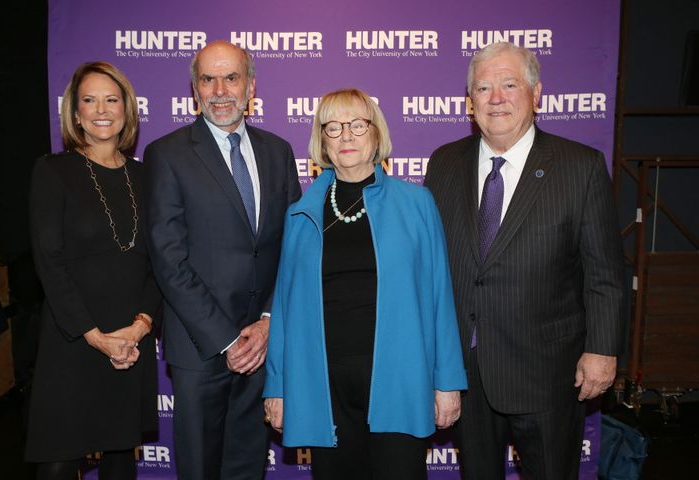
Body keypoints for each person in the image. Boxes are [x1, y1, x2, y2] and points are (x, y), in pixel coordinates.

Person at [424, 42, 626, 479]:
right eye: (483, 88)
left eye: (509, 84)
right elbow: (433, 268)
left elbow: (605, 273)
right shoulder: (443, 163)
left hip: (548, 371)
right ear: (469, 102)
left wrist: (602, 350)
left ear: (536, 95)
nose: (496, 98)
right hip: (466, 371)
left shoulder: (580, 167)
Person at [263, 88, 467, 480]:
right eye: (334, 127)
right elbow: (285, 309)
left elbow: (441, 298)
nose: (347, 136)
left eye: (358, 124)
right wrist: (278, 387)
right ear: (322, 140)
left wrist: (447, 383)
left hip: (401, 378)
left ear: (376, 133)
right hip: (324, 384)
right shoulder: (300, 215)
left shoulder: (417, 203)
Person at [143, 40, 301, 480]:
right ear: (194, 90)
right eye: (207, 79)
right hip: (201, 350)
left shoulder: (278, 151)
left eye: (231, 77)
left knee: (248, 466)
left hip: (262, 345)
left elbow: (293, 248)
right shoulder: (167, 154)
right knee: (200, 470)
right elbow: (168, 259)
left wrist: (270, 321)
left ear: (251, 85)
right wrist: (228, 341)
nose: (220, 90)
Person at [25, 62, 162, 480]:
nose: (101, 109)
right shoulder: (53, 171)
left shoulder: (148, 176)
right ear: (75, 112)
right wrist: (94, 336)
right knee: (57, 459)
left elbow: (162, 262)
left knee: (121, 458)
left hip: (130, 342)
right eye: (89, 100)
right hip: (73, 338)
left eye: (111, 99)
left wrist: (139, 327)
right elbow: (49, 260)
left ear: (127, 108)